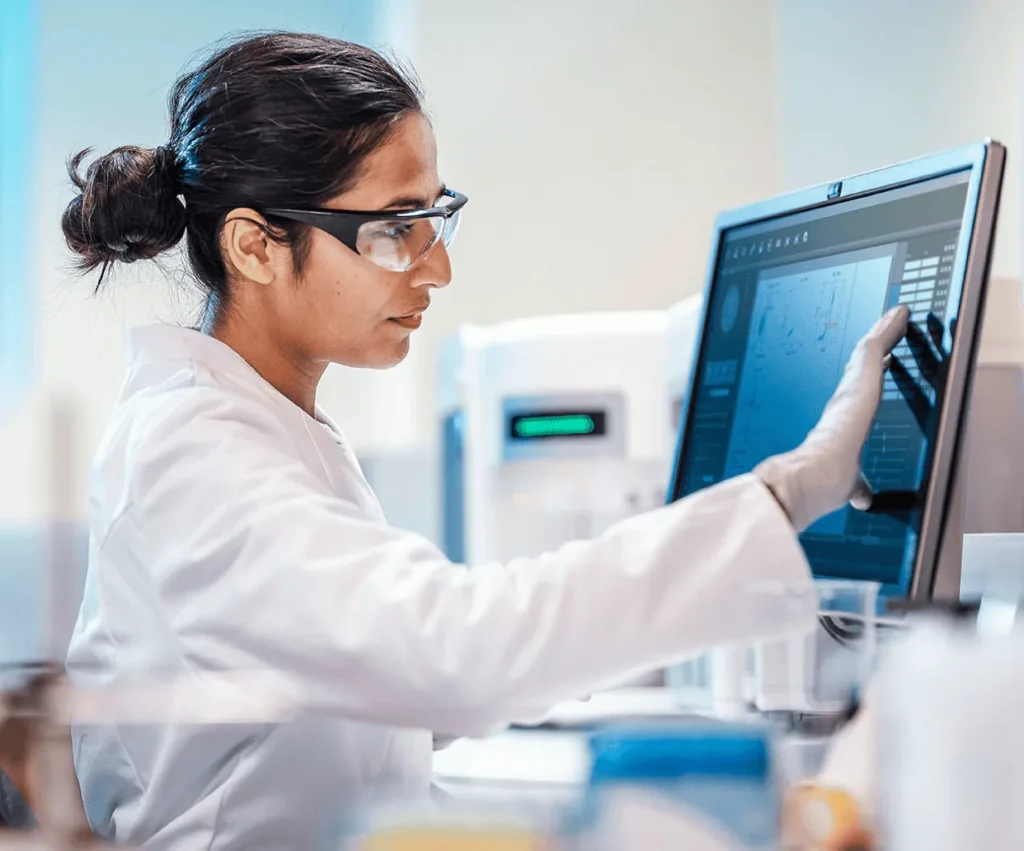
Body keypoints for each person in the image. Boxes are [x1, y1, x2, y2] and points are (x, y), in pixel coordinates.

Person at [61, 32, 908, 850]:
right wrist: (785, 493)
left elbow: (387, 697)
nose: (436, 268)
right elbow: (454, 652)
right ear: (255, 246)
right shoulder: (193, 454)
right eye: (395, 227)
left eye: (435, 217)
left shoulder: (270, 425)